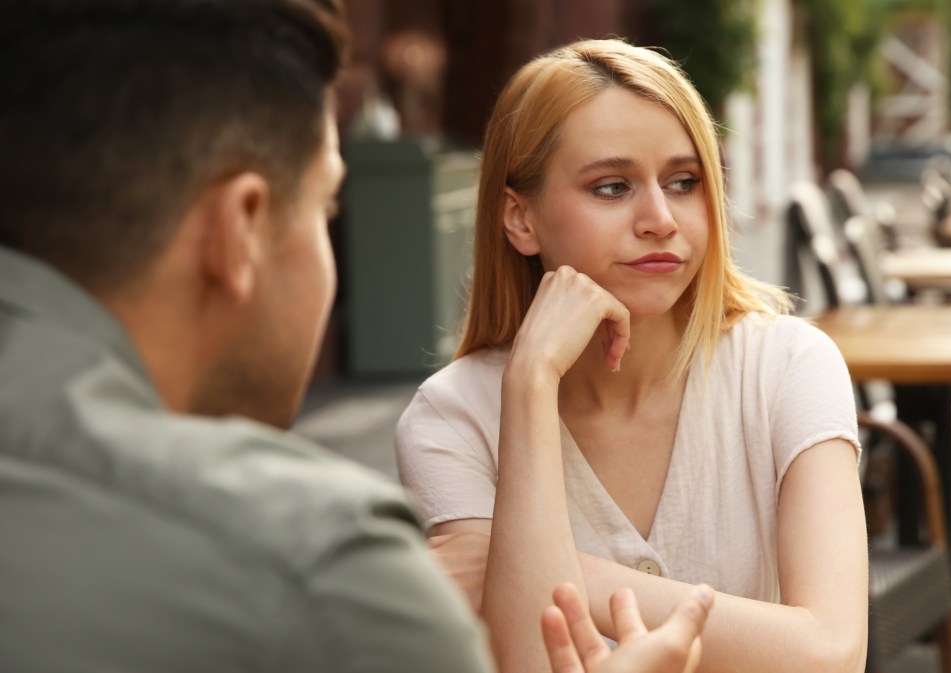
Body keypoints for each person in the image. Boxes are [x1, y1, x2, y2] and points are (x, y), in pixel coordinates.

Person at [0, 3, 710, 672]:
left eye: (684, 181)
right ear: (239, 228)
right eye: (326, 204)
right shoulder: (319, 561)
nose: (659, 216)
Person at [395, 39, 869, 673]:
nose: (659, 219)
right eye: (612, 187)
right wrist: (531, 383)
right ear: (520, 218)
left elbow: (831, 653)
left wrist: (542, 566)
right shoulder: (452, 418)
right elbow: (527, 663)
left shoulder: (786, 367)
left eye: (683, 182)